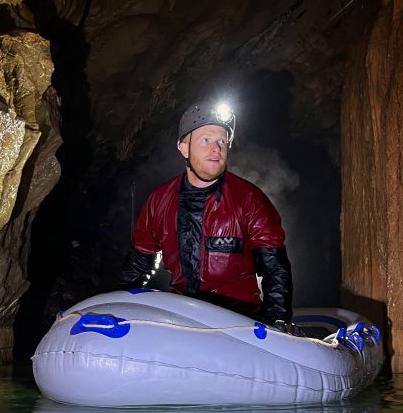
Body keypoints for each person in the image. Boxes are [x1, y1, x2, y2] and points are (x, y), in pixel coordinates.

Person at [119, 101, 295, 331]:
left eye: (222, 141)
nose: (216, 148)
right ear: (184, 147)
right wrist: (122, 308)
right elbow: (138, 265)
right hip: (183, 318)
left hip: (238, 323)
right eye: (206, 140)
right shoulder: (159, 201)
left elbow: (275, 269)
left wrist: (277, 321)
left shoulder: (250, 200)